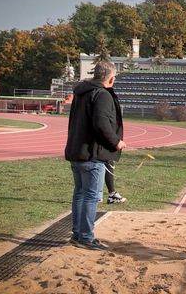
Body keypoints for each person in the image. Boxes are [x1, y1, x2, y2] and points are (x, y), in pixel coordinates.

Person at [65, 61, 126, 251]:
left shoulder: (81, 93)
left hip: (77, 152)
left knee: (80, 194)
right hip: (93, 154)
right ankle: (85, 237)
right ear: (111, 78)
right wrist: (117, 142)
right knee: (91, 196)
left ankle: (78, 234)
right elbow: (101, 124)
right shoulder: (102, 95)